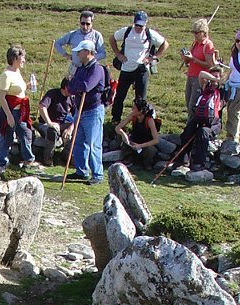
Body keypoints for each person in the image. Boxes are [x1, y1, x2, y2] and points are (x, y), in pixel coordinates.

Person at [109, 10, 168, 126]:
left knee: (140, 99)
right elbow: (112, 39)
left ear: (145, 24)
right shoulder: (127, 31)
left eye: (141, 26)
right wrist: (118, 54)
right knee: (120, 95)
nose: (139, 28)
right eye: (137, 25)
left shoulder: (149, 34)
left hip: (141, 69)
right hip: (126, 69)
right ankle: (115, 119)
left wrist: (153, 57)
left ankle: (139, 123)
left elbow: (164, 44)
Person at [0, 45, 43, 173]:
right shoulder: (6, 75)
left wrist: (28, 85)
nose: (24, 60)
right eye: (22, 58)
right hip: (11, 111)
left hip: (21, 112)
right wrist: (9, 116)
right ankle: (2, 163)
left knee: (26, 133)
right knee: (7, 136)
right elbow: (2, 97)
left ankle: (28, 160)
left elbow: (17, 89)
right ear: (15, 58)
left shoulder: (17, 72)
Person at [66, 41, 105, 184]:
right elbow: (71, 87)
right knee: (79, 141)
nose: (77, 54)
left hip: (93, 111)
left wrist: (75, 82)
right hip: (80, 109)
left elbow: (86, 86)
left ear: (88, 52)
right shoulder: (81, 68)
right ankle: (81, 171)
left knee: (93, 143)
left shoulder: (97, 69)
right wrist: (75, 84)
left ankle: (97, 175)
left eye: (80, 51)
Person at [177, 69, 224, 171]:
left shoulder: (222, 90)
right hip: (199, 118)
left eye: (217, 76)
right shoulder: (205, 86)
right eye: (212, 77)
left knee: (203, 133)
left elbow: (220, 105)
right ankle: (183, 161)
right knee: (188, 131)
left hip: (214, 123)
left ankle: (199, 163)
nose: (214, 80)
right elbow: (201, 74)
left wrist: (219, 82)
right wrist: (214, 79)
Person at [181, 18, 218, 117]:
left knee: (193, 106)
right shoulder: (195, 43)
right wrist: (186, 58)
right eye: (193, 32)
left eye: (197, 32)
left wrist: (193, 59)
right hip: (190, 76)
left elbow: (210, 65)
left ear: (203, 32)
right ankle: (191, 123)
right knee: (188, 103)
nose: (195, 35)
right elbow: (189, 62)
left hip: (200, 79)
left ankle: (193, 124)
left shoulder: (208, 45)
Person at [54, 9, 106, 75]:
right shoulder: (73, 34)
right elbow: (57, 43)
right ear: (79, 22)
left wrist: (90, 58)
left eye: (88, 24)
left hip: (89, 70)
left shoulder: (97, 35)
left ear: (92, 24)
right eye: (83, 23)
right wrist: (66, 55)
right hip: (75, 69)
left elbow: (102, 54)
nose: (85, 26)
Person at [37, 77, 75, 165]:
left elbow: (77, 115)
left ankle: (66, 154)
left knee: (78, 129)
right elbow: (42, 107)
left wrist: (70, 128)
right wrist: (49, 122)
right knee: (52, 131)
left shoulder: (72, 99)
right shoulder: (52, 93)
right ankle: (48, 158)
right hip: (46, 124)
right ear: (66, 88)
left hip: (61, 124)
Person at [115, 97, 160, 169]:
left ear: (141, 110)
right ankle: (128, 158)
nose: (132, 110)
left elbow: (156, 140)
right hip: (134, 141)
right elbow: (118, 128)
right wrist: (123, 135)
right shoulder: (133, 116)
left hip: (145, 144)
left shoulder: (149, 120)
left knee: (150, 150)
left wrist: (140, 146)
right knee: (120, 137)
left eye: (134, 108)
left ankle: (147, 164)